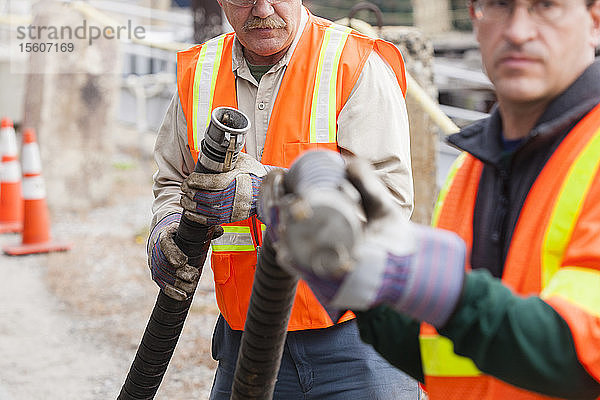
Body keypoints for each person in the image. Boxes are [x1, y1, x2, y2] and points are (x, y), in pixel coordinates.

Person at [261, 0, 600, 399]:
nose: (518, 31)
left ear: (595, 18)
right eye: (499, 6)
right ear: (475, 16)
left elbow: (578, 350)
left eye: (546, 5)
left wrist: (435, 285)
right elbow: (437, 351)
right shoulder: (471, 170)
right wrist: (357, 287)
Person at [147, 0, 419, 398]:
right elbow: (173, 180)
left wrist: (265, 193)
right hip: (246, 339)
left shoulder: (352, 64)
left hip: (357, 340)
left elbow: (389, 201)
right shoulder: (201, 73)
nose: (262, 9)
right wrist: (166, 229)